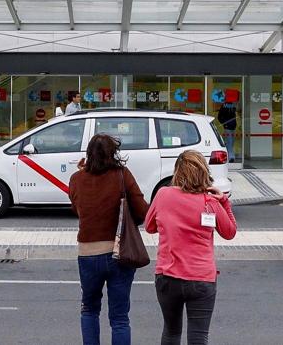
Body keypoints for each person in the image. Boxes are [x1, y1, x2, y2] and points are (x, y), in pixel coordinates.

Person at [144, 150, 237, 345]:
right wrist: (224, 201)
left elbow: (149, 227)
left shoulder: (163, 195)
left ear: (178, 172)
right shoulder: (210, 201)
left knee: (171, 331)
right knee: (198, 336)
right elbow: (230, 232)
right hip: (201, 279)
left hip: (168, 277)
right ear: (204, 172)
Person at [68, 133, 148, 345]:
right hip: (119, 252)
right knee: (120, 318)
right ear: (114, 153)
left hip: (87, 254)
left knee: (89, 309)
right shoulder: (122, 175)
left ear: (88, 154)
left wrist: (82, 173)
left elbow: (77, 207)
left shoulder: (77, 179)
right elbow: (142, 212)